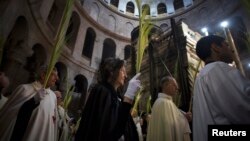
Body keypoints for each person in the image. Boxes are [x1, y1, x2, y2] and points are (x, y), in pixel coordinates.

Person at [193, 35, 250, 141]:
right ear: (215, 47)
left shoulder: (202, 75)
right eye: (226, 45)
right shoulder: (218, 69)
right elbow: (241, 107)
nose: (231, 49)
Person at [75, 57, 141, 141]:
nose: (126, 75)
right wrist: (128, 97)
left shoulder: (116, 96)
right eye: (122, 71)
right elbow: (109, 130)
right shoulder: (102, 91)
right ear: (111, 71)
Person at [0, 66, 59, 141]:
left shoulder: (53, 96)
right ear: (43, 75)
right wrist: (32, 101)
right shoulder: (24, 89)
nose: (56, 79)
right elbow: (11, 115)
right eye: (53, 75)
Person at [147, 76, 191, 141]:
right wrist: (185, 119)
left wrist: (184, 116)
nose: (177, 88)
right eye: (174, 85)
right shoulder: (164, 103)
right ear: (165, 85)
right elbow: (169, 126)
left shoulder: (165, 101)